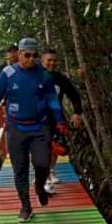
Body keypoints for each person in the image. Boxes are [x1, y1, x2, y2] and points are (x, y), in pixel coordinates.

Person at [0, 38, 68, 222]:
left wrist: (59, 121)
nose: (31, 59)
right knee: (19, 169)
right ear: (19, 54)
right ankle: (25, 206)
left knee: (43, 164)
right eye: (27, 55)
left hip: (40, 126)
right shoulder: (8, 73)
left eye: (35, 56)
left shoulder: (43, 74)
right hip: (16, 127)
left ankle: (39, 186)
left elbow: (52, 99)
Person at [40, 48, 83, 193]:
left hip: (56, 119)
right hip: (38, 119)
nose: (52, 63)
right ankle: (44, 179)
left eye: (54, 60)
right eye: (49, 60)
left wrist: (77, 112)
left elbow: (74, 95)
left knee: (55, 147)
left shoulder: (60, 79)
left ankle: (50, 171)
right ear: (42, 60)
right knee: (42, 148)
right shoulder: (33, 75)